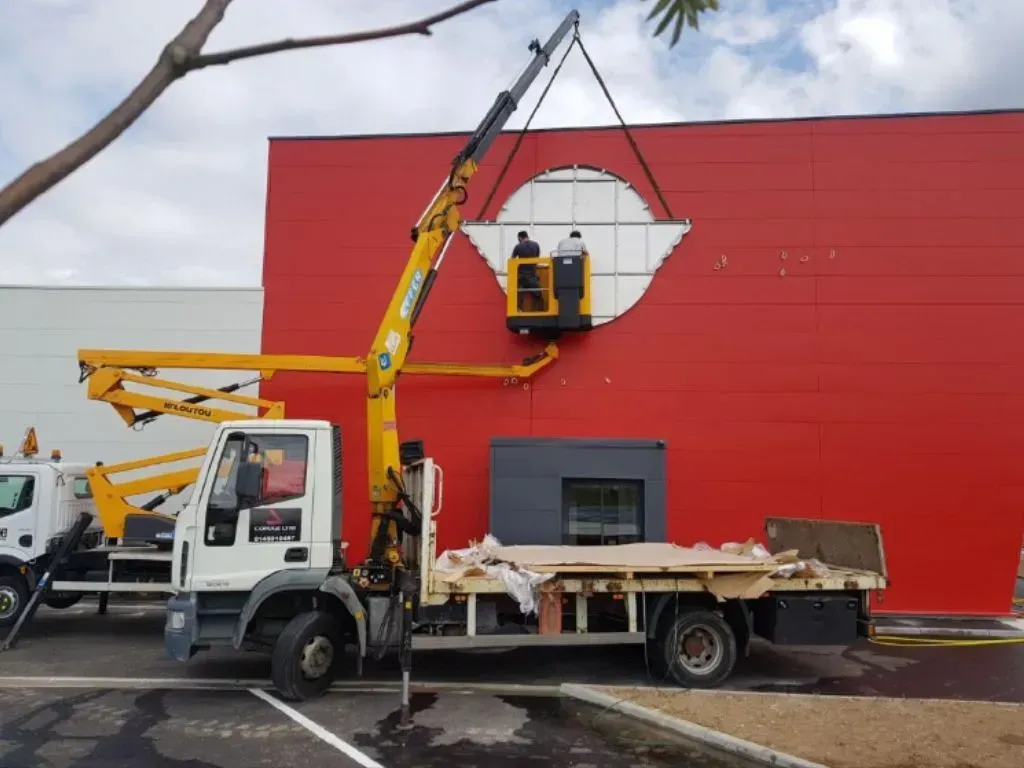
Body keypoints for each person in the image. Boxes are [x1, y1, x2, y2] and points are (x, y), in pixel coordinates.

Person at [509, 230, 542, 311]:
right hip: (532, 275)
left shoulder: (518, 246)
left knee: (519, 294)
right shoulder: (536, 245)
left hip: (522, 276)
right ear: (527, 236)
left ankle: (519, 309)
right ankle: (538, 310)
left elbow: (512, 260)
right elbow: (537, 259)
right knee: (538, 294)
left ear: (520, 238)